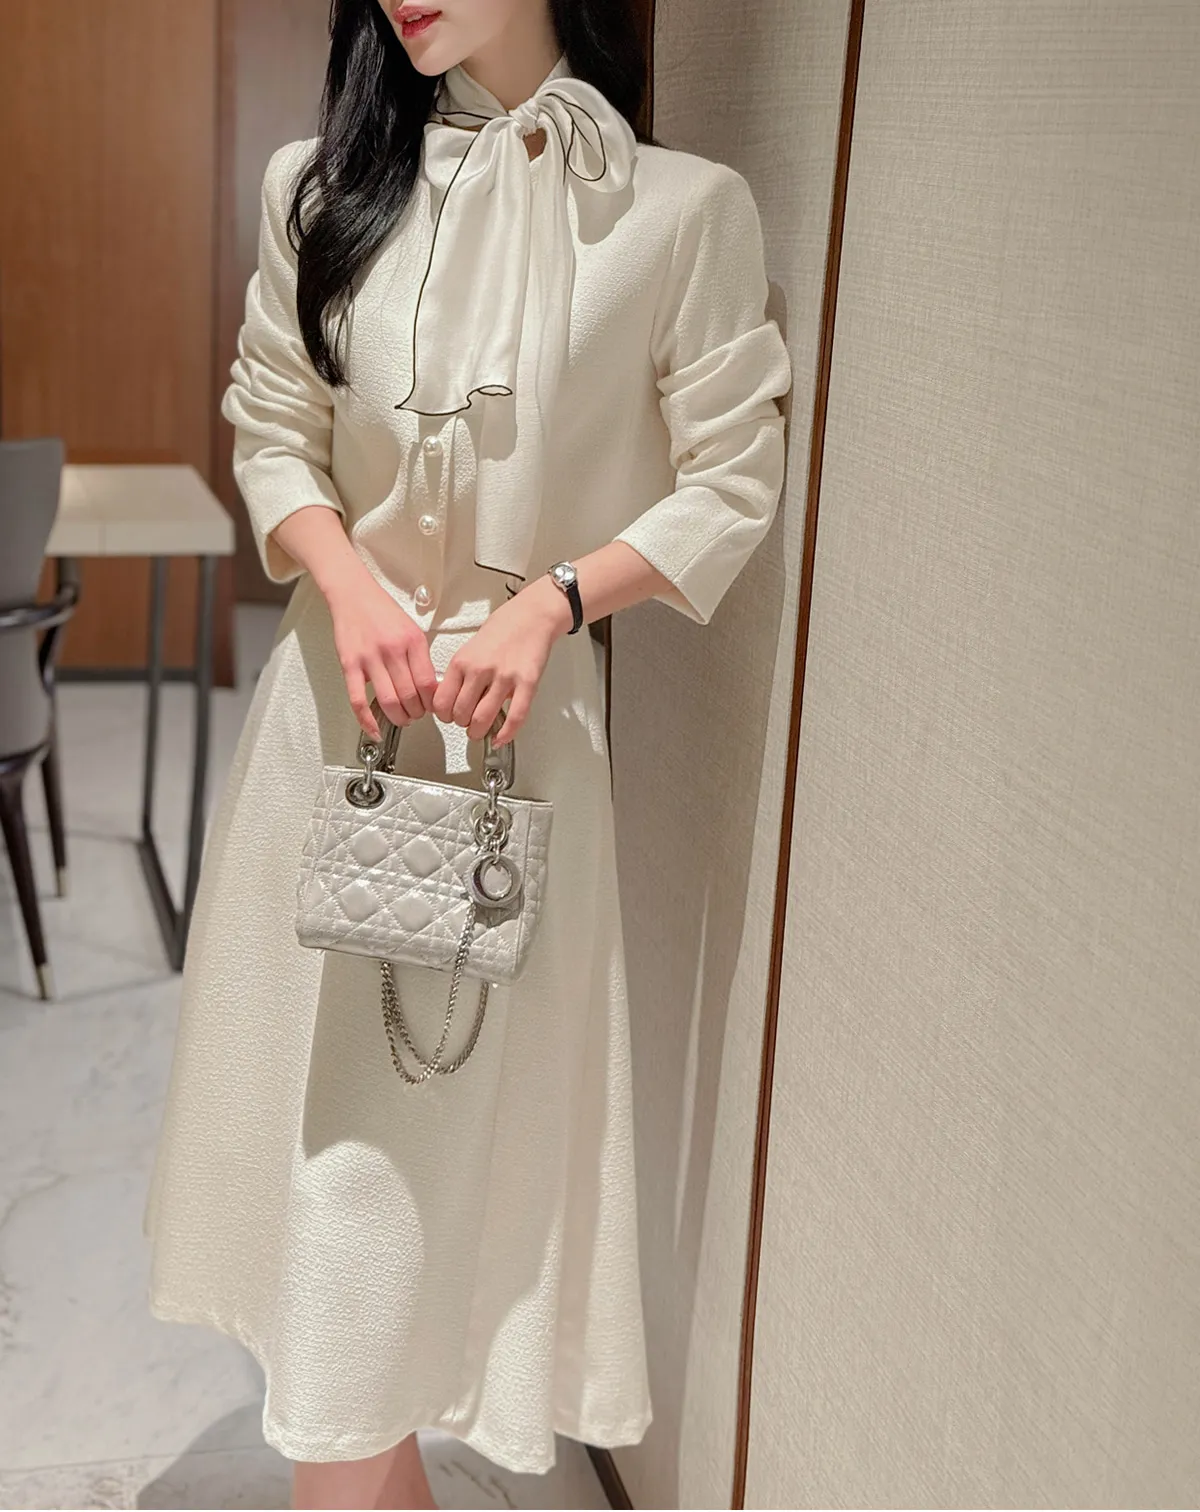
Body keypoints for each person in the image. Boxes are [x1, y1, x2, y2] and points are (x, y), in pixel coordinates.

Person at [142, 0, 791, 1506]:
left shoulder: (678, 211)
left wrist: (555, 601)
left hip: (515, 752)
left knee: (429, 1167)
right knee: (331, 1161)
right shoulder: (319, 187)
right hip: (333, 721)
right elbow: (272, 423)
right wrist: (349, 584)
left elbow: (732, 473)